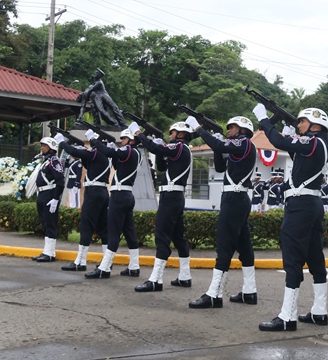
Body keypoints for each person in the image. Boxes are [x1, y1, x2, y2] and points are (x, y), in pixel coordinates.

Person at [252, 106, 328, 331]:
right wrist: (290, 135)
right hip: (312, 204)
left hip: (300, 205)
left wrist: (264, 120)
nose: (299, 126)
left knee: (292, 258)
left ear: (315, 124)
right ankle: (319, 311)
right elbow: (299, 156)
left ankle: (287, 316)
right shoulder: (323, 144)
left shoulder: (314, 141)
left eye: (302, 122)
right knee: (315, 256)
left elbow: (278, 142)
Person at [185, 115, 258, 308]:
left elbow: (219, 146)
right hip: (236, 198)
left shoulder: (244, 143)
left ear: (243, 130)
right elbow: (219, 167)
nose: (228, 130)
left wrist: (199, 129)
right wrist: (217, 144)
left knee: (224, 245)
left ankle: (214, 294)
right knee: (244, 246)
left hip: (234, 199)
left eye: (232, 127)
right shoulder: (237, 147)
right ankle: (249, 291)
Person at [133, 121, 194, 292]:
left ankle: (156, 279)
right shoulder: (180, 150)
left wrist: (139, 134)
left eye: (172, 132)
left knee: (162, 236)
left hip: (171, 197)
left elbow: (155, 149)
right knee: (178, 237)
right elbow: (161, 166)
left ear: (180, 134)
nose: (170, 135)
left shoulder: (179, 146)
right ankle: (185, 276)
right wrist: (158, 144)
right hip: (174, 196)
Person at [84, 126, 143, 280]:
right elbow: (117, 164)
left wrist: (93, 140)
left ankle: (104, 268)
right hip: (126, 195)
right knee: (129, 233)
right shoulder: (136, 153)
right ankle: (134, 266)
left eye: (124, 139)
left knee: (113, 233)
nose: (121, 141)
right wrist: (113, 148)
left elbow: (110, 153)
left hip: (119, 196)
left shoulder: (129, 150)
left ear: (131, 140)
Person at [58, 134, 110, 272]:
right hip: (102, 192)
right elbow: (86, 160)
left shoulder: (97, 153)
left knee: (86, 226)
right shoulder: (104, 155)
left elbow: (74, 152)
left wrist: (62, 143)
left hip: (93, 193)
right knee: (103, 228)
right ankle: (107, 262)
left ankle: (80, 261)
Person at [31, 134, 65, 262]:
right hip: (42, 195)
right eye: (42, 145)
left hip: (49, 195)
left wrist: (56, 198)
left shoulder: (54, 161)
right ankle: (47, 251)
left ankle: (50, 253)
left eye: (45, 146)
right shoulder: (46, 161)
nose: (42, 148)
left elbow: (60, 181)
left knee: (50, 223)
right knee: (44, 223)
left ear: (51, 148)